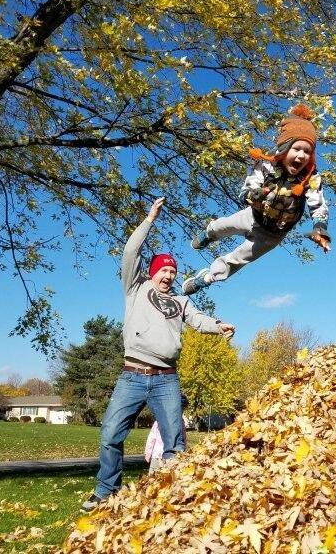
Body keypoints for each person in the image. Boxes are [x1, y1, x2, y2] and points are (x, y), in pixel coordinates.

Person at [81, 197, 235, 512]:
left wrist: (218, 325)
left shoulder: (180, 302)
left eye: (172, 272)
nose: (167, 276)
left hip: (166, 379)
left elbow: (198, 319)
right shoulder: (135, 289)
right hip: (133, 375)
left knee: (175, 445)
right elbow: (130, 252)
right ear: (152, 273)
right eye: (162, 270)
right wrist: (149, 219)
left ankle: (168, 497)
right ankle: (107, 490)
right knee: (111, 434)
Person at [182, 103, 332, 296]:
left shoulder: (310, 178)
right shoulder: (266, 166)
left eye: (307, 151)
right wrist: (254, 194)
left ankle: (206, 278)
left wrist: (320, 228)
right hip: (253, 216)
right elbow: (250, 185)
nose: (301, 155)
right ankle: (209, 234)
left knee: (238, 259)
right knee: (222, 226)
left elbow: (317, 202)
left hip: (272, 235)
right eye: (297, 149)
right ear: (285, 148)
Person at [145, 394, 189, 473]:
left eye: (182, 410)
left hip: (172, 456)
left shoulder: (181, 422)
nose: (181, 412)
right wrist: (148, 453)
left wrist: (185, 451)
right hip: (157, 456)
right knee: (153, 476)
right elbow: (152, 438)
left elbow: (183, 438)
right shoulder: (160, 420)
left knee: (168, 477)